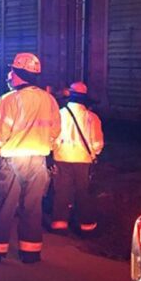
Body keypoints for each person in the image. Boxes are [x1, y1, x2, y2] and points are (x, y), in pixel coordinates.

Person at [0, 52, 61, 264]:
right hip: (38, 161)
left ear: (17, 74)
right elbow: (55, 131)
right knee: (33, 207)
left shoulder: (6, 100)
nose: (8, 75)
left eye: (11, 71)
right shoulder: (49, 100)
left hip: (12, 160)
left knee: (4, 205)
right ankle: (30, 252)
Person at [50, 82, 105, 235]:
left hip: (62, 157)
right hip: (83, 160)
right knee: (83, 191)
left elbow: (52, 137)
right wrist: (94, 153)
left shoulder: (59, 114)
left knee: (61, 190)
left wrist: (55, 150)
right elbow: (97, 143)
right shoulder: (92, 118)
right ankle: (86, 224)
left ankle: (59, 222)